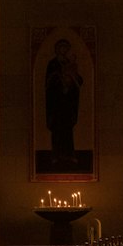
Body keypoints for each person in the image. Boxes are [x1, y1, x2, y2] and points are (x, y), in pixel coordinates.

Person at [45, 38, 83, 167]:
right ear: (57, 49)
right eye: (62, 47)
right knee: (57, 130)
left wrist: (72, 81)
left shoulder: (69, 63)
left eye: (66, 47)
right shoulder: (53, 64)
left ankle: (69, 154)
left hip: (67, 103)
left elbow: (78, 80)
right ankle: (55, 155)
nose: (64, 50)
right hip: (56, 103)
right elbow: (49, 81)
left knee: (67, 130)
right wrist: (60, 81)